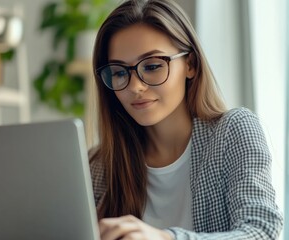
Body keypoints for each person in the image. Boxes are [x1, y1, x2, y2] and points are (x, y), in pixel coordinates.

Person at [89, 0, 283, 239]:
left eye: (151, 66)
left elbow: (261, 231)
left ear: (190, 64)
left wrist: (165, 237)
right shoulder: (101, 164)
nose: (135, 86)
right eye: (119, 72)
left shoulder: (232, 131)